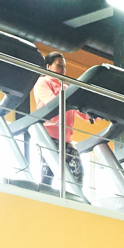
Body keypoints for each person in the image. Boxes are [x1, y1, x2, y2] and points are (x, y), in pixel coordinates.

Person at [31, 52, 83, 192]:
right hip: (48, 136)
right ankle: (43, 198)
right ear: (48, 67)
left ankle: (75, 198)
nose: (63, 70)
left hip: (65, 139)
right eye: (59, 66)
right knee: (48, 173)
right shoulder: (43, 82)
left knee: (77, 170)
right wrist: (70, 95)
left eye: (64, 67)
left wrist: (95, 113)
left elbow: (81, 111)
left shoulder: (67, 88)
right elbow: (53, 103)